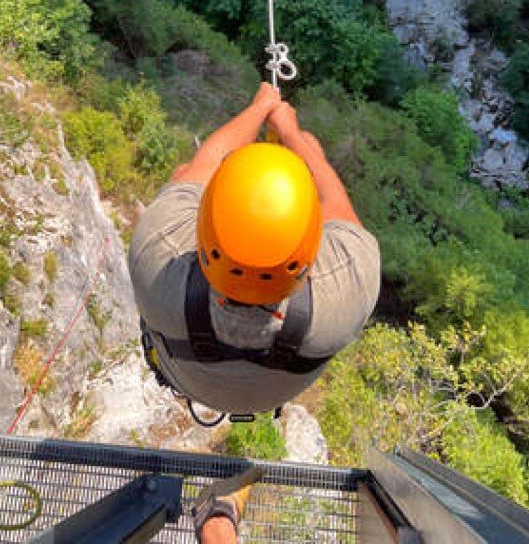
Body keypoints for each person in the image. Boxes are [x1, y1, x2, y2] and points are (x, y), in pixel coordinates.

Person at [129, 83, 380, 417]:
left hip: (186, 376)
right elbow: (333, 200)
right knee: (311, 148)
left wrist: (260, 106)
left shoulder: (156, 258)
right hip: (270, 392)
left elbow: (210, 160)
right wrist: (291, 133)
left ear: (206, 237)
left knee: (183, 178)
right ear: (307, 254)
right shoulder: (347, 287)